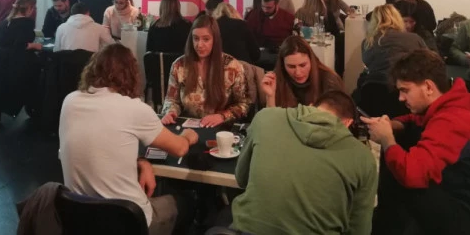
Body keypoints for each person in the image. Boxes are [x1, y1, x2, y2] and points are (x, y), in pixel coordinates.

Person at [363, 49, 470, 235]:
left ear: (428, 87)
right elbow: (417, 120)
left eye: (405, 90)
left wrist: (387, 139)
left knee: (407, 182)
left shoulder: (452, 122)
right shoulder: (451, 108)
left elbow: (411, 174)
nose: (401, 98)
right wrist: (393, 125)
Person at [59, 43, 199, 235]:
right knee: (188, 202)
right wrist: (188, 136)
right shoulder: (135, 109)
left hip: (80, 221)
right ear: (131, 74)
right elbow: (180, 148)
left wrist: (141, 161)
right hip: (129, 224)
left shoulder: (69, 102)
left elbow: (97, 149)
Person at [230, 90, 377, 235]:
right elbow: (359, 228)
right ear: (348, 122)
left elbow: (242, 178)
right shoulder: (364, 158)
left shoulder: (265, 117)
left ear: (311, 107)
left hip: (252, 229)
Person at [161, 16, 249, 127]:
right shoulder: (179, 65)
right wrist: (171, 112)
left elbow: (244, 104)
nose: (199, 45)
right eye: (195, 38)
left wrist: (222, 116)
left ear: (215, 40)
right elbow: (171, 100)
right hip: (188, 126)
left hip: (221, 127)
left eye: (206, 39)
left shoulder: (233, 67)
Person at [261, 35, 343, 108]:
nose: (298, 73)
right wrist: (270, 97)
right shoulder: (276, 79)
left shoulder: (329, 80)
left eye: (303, 65)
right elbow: (272, 118)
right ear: (283, 65)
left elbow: (338, 117)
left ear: (311, 60)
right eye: (291, 66)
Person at [358, 4, 426, 90]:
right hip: (406, 89)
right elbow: (427, 62)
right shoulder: (414, 38)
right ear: (398, 18)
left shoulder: (367, 42)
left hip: (375, 89)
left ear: (373, 22)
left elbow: (367, 63)